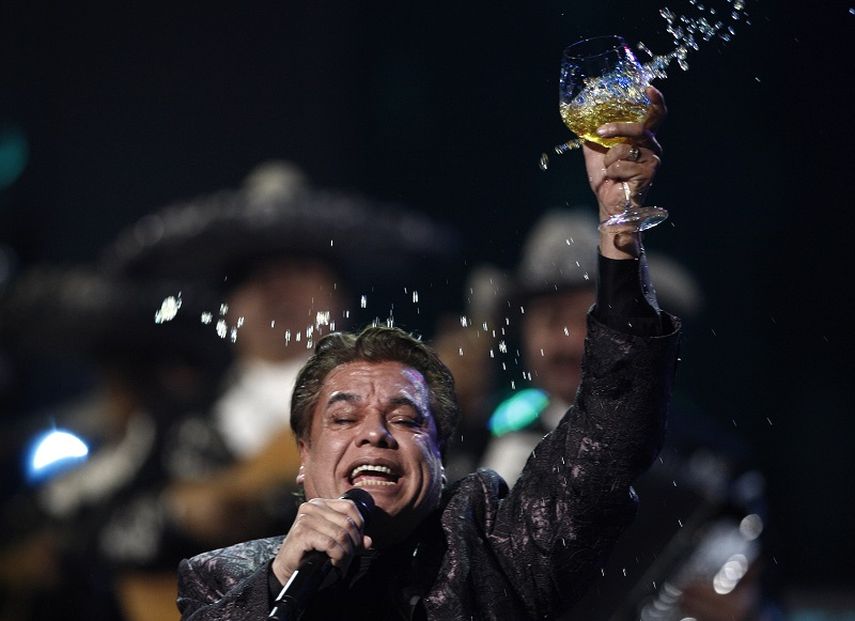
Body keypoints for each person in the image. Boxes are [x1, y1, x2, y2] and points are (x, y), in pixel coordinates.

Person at [176, 87, 681, 620]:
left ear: (442, 460)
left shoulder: (501, 554)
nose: (375, 432)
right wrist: (283, 582)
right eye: (344, 417)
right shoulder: (223, 578)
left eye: (406, 418)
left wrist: (620, 225)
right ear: (302, 456)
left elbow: (612, 424)